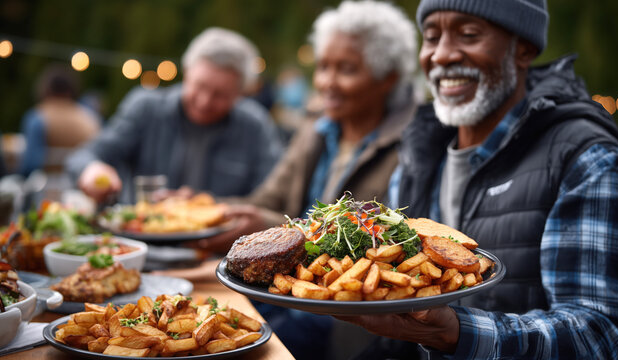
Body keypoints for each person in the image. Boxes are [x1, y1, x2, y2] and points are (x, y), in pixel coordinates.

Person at [338, 0, 618, 359]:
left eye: (468, 34)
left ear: (523, 49)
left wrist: (459, 333)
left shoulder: (587, 158)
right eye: (432, 37)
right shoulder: (418, 155)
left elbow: (602, 332)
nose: (443, 55)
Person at [199, 2, 418, 359]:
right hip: (281, 291)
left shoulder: (412, 144)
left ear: (387, 77)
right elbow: (266, 198)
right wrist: (208, 209)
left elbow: (387, 245)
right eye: (323, 67)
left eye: (346, 69)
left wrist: (277, 230)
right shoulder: (318, 126)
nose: (326, 82)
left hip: (343, 313)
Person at [66, 28, 283, 204]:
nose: (204, 101)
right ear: (187, 72)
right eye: (199, 86)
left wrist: (207, 204)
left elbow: (274, 196)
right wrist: (92, 169)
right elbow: (84, 156)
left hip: (220, 251)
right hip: (142, 241)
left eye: (220, 95)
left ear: (239, 93)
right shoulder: (146, 107)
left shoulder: (255, 126)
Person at [19, 64, 101, 177]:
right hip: (81, 186)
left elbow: (30, 164)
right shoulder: (89, 118)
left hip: (43, 189)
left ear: (46, 88)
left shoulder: (37, 116)